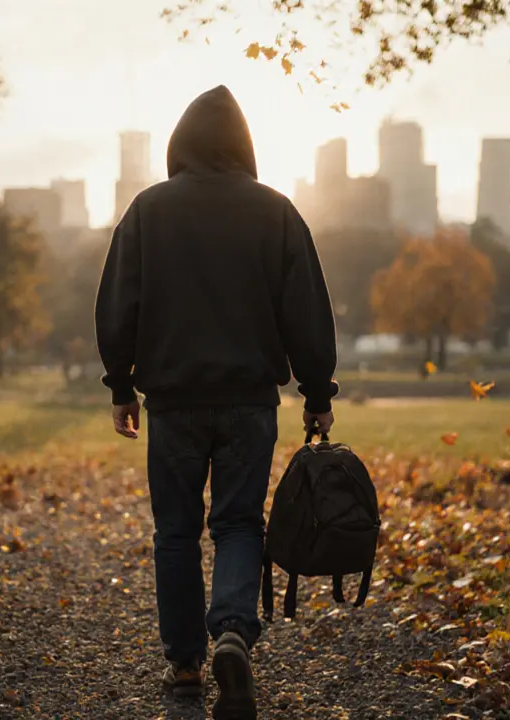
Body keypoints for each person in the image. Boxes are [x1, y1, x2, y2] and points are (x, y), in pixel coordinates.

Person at [94, 85, 338, 719]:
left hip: (173, 403)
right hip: (249, 403)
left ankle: (183, 663)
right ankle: (232, 629)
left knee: (174, 532)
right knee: (236, 524)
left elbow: (118, 305)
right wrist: (317, 392)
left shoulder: (148, 211)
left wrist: (121, 384)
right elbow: (307, 311)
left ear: (180, 145)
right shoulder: (277, 212)